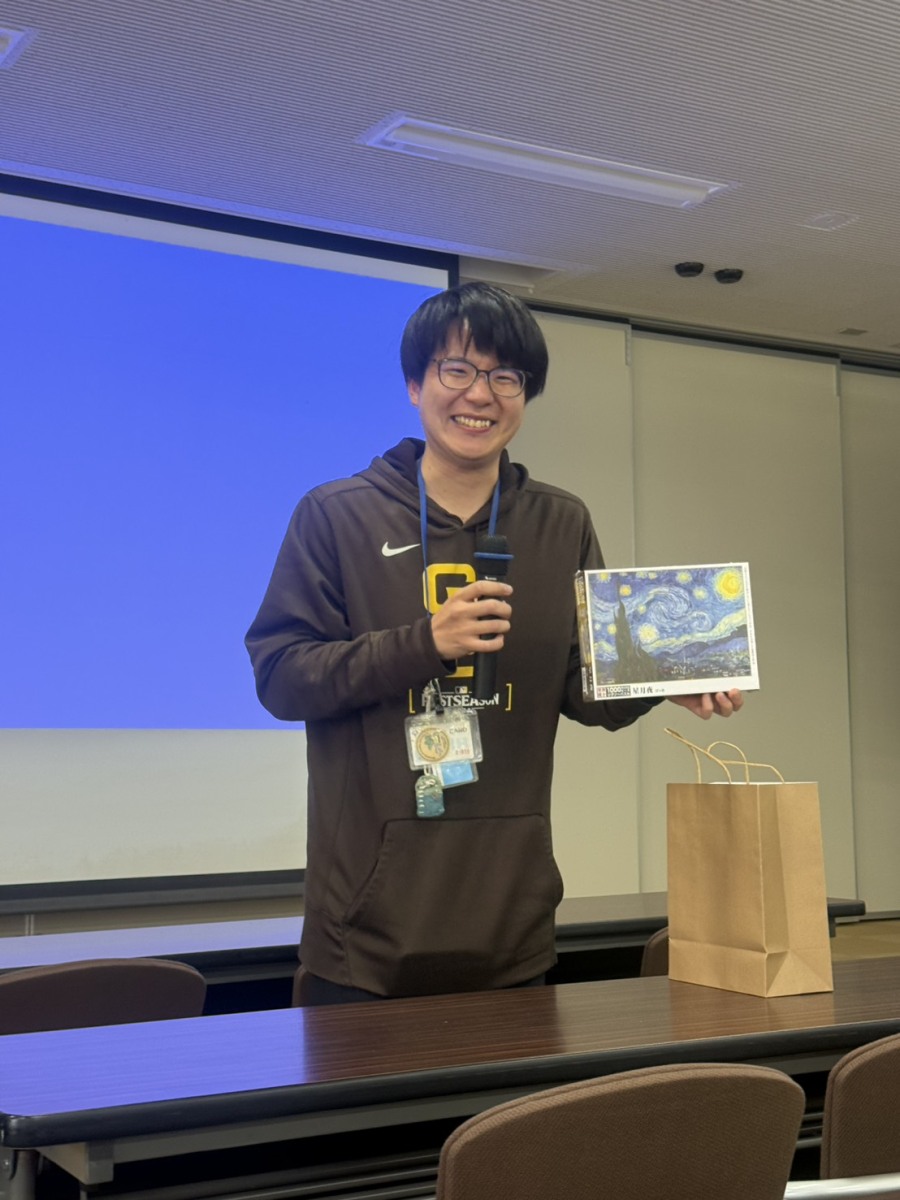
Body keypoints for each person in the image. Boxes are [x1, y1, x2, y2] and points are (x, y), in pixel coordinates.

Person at [245, 282, 742, 1004]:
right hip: (365, 941)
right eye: (457, 370)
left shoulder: (560, 523)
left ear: (525, 395)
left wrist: (662, 676)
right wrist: (424, 643)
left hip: (512, 929)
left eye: (505, 376)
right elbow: (282, 677)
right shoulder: (336, 514)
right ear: (415, 384)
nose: (480, 394)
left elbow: (584, 691)